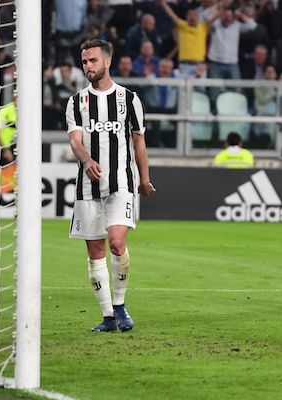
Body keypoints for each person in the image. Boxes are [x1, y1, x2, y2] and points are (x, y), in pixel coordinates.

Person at [64, 39, 156, 332]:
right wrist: (87, 160)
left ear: (107, 62)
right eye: (84, 62)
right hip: (87, 188)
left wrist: (144, 178)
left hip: (121, 184)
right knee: (95, 252)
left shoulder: (129, 99)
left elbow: (139, 140)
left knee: (117, 243)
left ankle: (120, 306)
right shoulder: (77, 101)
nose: (87, 66)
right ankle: (107, 316)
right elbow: (75, 141)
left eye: (92, 60)